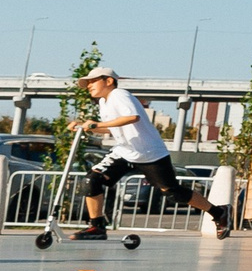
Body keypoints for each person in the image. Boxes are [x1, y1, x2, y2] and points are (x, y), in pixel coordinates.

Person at [70, 66, 230, 240]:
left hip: (149, 153)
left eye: (93, 81)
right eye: (87, 83)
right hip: (125, 151)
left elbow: (133, 117)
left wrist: (95, 124)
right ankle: (97, 227)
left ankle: (218, 211)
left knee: (172, 192)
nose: (89, 86)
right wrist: (84, 127)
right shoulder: (103, 102)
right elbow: (114, 129)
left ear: (108, 81)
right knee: (91, 180)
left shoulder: (119, 94)